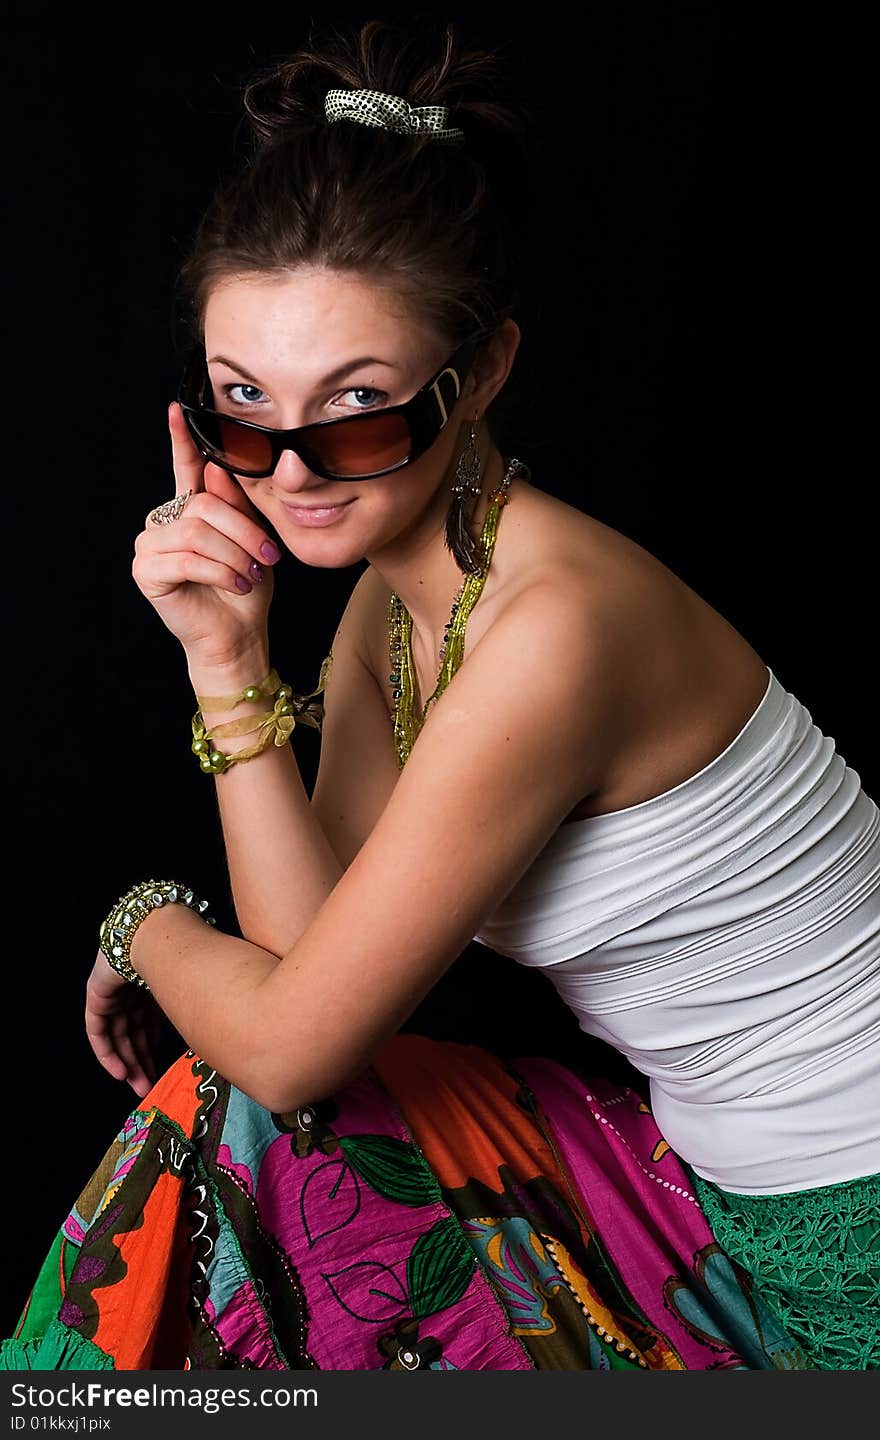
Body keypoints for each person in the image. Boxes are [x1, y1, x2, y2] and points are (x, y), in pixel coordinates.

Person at [3, 19, 877, 1374]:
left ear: (487, 374)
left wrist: (141, 926)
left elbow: (292, 1047)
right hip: (698, 1180)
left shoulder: (558, 628)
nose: (292, 473)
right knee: (238, 1118)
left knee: (234, 1111)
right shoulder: (395, 608)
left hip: (850, 1241)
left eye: (357, 408)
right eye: (242, 410)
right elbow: (313, 975)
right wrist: (226, 661)